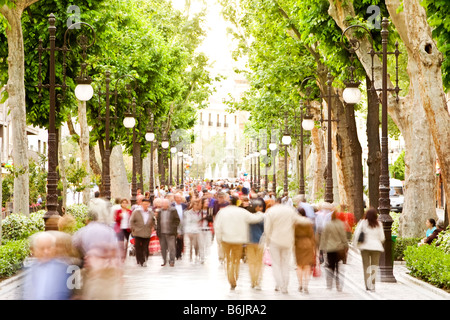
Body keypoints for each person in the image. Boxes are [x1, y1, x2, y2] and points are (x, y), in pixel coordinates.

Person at [214, 195, 264, 291]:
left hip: (226, 240)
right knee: (236, 260)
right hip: (238, 240)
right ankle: (235, 277)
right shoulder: (242, 212)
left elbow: (218, 226)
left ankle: (231, 280)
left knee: (228, 260)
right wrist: (261, 214)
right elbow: (254, 218)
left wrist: (219, 240)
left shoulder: (222, 212)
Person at [72, 209, 122, 299]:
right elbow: (116, 248)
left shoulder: (83, 231)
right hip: (107, 268)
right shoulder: (108, 230)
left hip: (91, 268)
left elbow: (74, 245)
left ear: (87, 220)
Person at [264, 202, 312, 294]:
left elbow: (267, 228)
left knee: (276, 264)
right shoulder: (290, 210)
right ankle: (285, 286)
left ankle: (279, 284)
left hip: (274, 241)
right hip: (287, 241)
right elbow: (299, 219)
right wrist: (309, 221)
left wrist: (267, 241)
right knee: (285, 264)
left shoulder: (271, 211)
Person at [23, 232, 73, 300]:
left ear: (54, 248)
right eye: (42, 248)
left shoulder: (64, 269)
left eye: (49, 248)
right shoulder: (30, 270)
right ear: (35, 250)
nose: (46, 251)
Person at [352, 208, 385, 292]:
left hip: (365, 247)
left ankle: (367, 285)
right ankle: (372, 285)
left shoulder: (362, 223)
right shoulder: (379, 224)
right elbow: (382, 237)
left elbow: (356, 234)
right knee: (374, 266)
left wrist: (355, 245)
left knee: (366, 266)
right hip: (376, 247)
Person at [320, 209, 348, 292]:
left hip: (330, 248)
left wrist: (322, 248)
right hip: (339, 248)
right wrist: (346, 245)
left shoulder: (328, 224)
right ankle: (338, 284)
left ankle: (329, 283)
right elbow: (343, 237)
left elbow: (324, 237)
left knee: (330, 266)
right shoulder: (340, 224)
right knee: (338, 267)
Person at [294, 207, 316, 293]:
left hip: (299, 244)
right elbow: (312, 235)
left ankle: (300, 284)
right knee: (307, 266)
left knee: (299, 265)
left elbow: (293, 235)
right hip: (308, 244)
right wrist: (314, 246)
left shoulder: (295, 223)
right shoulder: (309, 223)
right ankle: (306, 285)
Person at [129, 198, 155, 267]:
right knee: (138, 247)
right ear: (141, 204)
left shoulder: (151, 212)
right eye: (144, 204)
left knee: (145, 247)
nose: (145, 205)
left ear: (149, 204)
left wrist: (153, 227)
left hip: (147, 232)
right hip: (138, 232)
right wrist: (133, 229)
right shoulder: (136, 212)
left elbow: (154, 221)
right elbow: (131, 221)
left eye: (147, 204)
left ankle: (145, 259)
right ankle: (140, 260)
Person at [246, 199, 265, 290]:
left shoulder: (248, 217)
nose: (261, 208)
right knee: (259, 263)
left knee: (251, 263)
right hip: (259, 242)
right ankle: (258, 281)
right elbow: (265, 229)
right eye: (260, 206)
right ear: (257, 207)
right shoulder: (262, 217)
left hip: (250, 241)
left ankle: (253, 280)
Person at [156, 198, 180, 267]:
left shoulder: (173, 211)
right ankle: (164, 261)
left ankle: (172, 261)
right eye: (162, 204)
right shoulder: (160, 211)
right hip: (162, 233)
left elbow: (177, 220)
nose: (163, 205)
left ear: (168, 204)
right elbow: (158, 222)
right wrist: (158, 230)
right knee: (163, 248)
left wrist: (173, 227)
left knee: (172, 247)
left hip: (171, 233)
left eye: (164, 204)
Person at [174, 193, 187, 260]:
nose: (179, 199)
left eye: (180, 198)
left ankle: (179, 253)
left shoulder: (184, 206)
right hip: (175, 225)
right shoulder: (172, 206)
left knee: (181, 240)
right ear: (175, 199)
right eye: (178, 198)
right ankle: (176, 253)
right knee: (175, 239)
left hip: (182, 224)